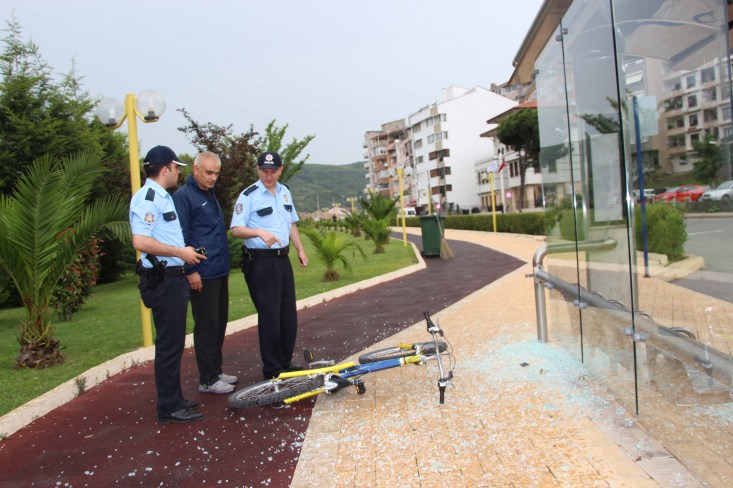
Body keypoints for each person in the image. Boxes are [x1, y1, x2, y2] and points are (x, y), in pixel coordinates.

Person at [130, 145, 207, 424]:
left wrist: (182, 253)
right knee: (169, 345)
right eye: (176, 168)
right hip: (164, 280)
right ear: (165, 169)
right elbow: (141, 241)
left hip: (172, 276)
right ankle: (169, 407)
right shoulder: (149, 198)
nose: (178, 173)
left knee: (173, 343)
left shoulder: (162, 196)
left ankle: (174, 399)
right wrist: (180, 253)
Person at [230, 151, 309, 379]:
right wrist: (259, 232)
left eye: (273, 171)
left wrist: (300, 249)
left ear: (280, 170)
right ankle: (273, 369)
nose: (268, 176)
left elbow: (291, 223)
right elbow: (236, 229)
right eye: (264, 171)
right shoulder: (249, 195)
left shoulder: (284, 192)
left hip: (282, 259)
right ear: (257, 169)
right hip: (261, 261)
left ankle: (285, 362)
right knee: (270, 316)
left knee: (287, 315)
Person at [173, 151, 237, 394]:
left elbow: (215, 234)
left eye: (216, 173)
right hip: (201, 273)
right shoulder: (184, 197)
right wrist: (190, 270)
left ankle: (215, 370)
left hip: (217, 270)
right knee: (206, 326)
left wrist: (225, 267)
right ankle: (207, 379)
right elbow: (181, 236)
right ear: (196, 169)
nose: (213, 178)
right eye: (209, 172)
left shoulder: (209, 194)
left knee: (218, 323)